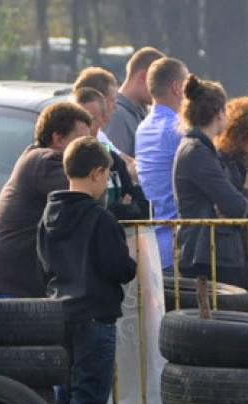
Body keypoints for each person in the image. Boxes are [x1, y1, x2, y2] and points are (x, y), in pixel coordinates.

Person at [37, 137, 136, 404]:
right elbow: (118, 267)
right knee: (90, 398)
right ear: (97, 173)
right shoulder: (100, 218)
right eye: (107, 176)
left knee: (63, 397)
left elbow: (44, 268)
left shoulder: (48, 215)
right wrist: (132, 263)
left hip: (59, 316)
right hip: (96, 317)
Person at [0, 102, 92, 299]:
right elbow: (87, 199)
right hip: (6, 289)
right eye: (80, 143)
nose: (86, 151)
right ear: (58, 139)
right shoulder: (46, 161)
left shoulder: (36, 158)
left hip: (10, 287)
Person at [173, 78, 248, 289]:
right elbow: (236, 206)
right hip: (205, 255)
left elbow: (230, 204)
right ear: (219, 113)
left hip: (214, 253)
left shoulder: (203, 150)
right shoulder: (197, 152)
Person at [134, 56, 189, 271]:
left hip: (153, 241)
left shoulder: (144, 127)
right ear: (176, 87)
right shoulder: (177, 129)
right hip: (176, 243)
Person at [73, 88, 149, 221]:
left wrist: (116, 209)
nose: (84, 128)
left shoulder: (112, 158)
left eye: (90, 120)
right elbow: (89, 210)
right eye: (77, 120)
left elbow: (145, 206)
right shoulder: (69, 162)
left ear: (104, 119)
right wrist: (122, 207)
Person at [103, 46, 164, 157]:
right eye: (158, 82)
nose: (162, 90)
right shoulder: (117, 116)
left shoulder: (142, 113)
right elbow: (112, 165)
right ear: (143, 76)